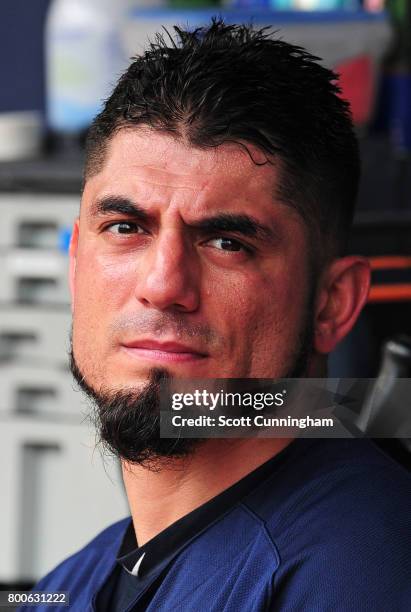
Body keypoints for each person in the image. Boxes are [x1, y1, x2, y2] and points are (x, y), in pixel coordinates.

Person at [20, 20, 411, 611]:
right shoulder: (74, 580)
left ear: (333, 303)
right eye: (126, 228)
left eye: (227, 242)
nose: (163, 285)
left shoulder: (359, 573)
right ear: (76, 266)